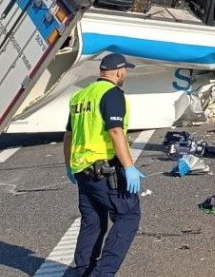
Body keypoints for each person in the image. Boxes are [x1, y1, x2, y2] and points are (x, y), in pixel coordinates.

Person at [64, 53, 144, 277]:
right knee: (128, 216)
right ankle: (103, 273)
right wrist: (128, 166)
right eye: (125, 70)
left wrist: (69, 165)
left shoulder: (80, 96)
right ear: (119, 72)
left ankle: (84, 271)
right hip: (105, 169)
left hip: (82, 170)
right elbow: (115, 130)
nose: (125, 74)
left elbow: (68, 135)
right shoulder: (112, 94)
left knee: (93, 221)